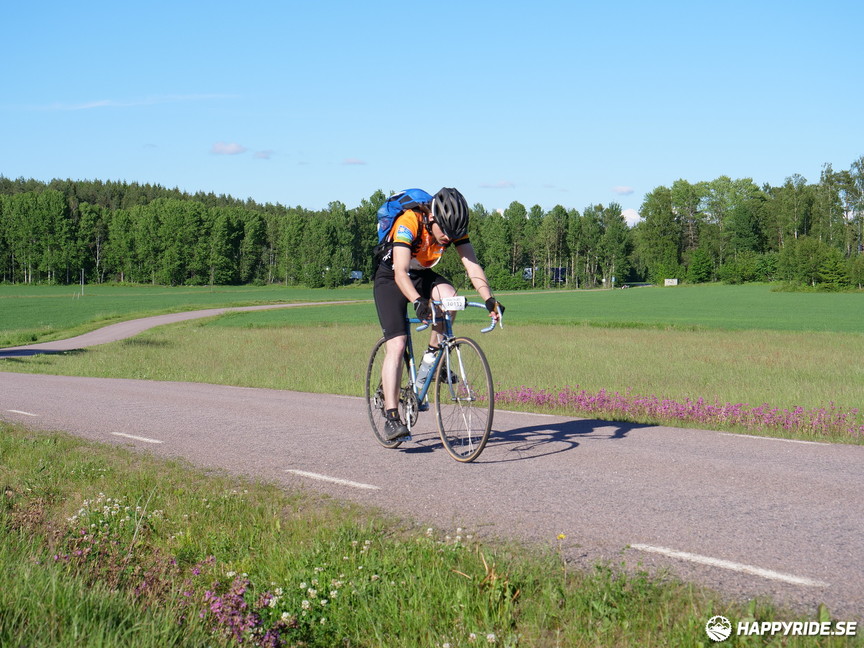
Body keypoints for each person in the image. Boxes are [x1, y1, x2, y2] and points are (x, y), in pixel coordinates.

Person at [373, 187, 503, 441]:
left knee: (450, 299)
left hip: (421, 274)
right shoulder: (408, 221)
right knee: (397, 345)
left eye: (452, 234)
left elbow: (471, 264)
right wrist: (418, 302)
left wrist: (488, 298)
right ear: (432, 218)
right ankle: (391, 417)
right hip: (391, 277)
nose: (447, 238)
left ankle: (433, 359)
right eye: (443, 232)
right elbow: (400, 272)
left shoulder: (451, 228)